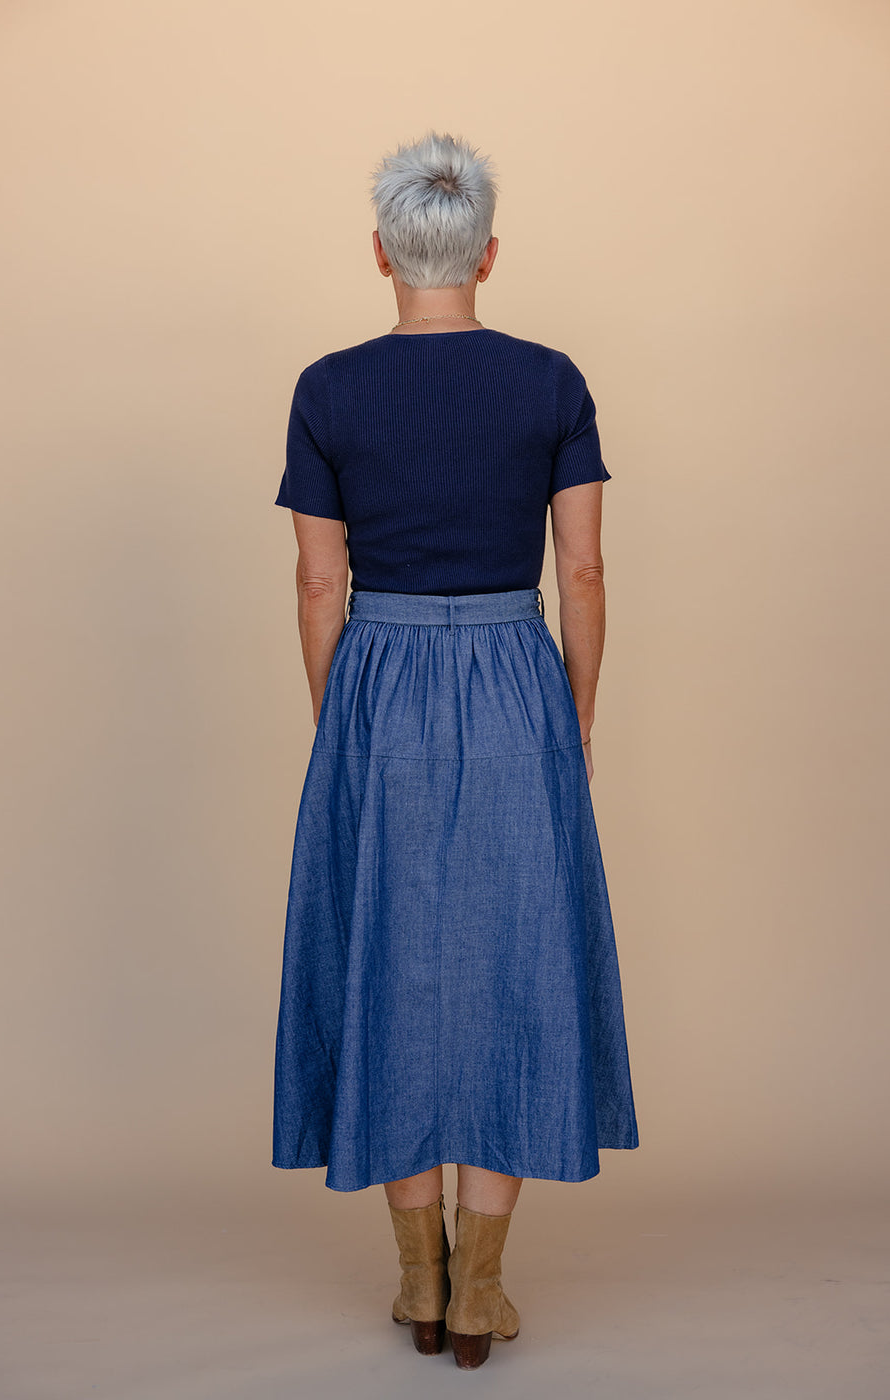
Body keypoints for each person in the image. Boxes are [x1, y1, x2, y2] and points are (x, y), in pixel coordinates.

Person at [271, 129, 639, 1370]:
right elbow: (580, 568)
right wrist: (572, 712)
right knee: (511, 972)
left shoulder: (328, 387)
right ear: (486, 251)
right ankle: (482, 1292)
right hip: (513, 683)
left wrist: (346, 731)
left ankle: (417, 1279)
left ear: (381, 251)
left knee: (389, 968)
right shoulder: (550, 381)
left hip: (375, 685)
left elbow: (321, 583)